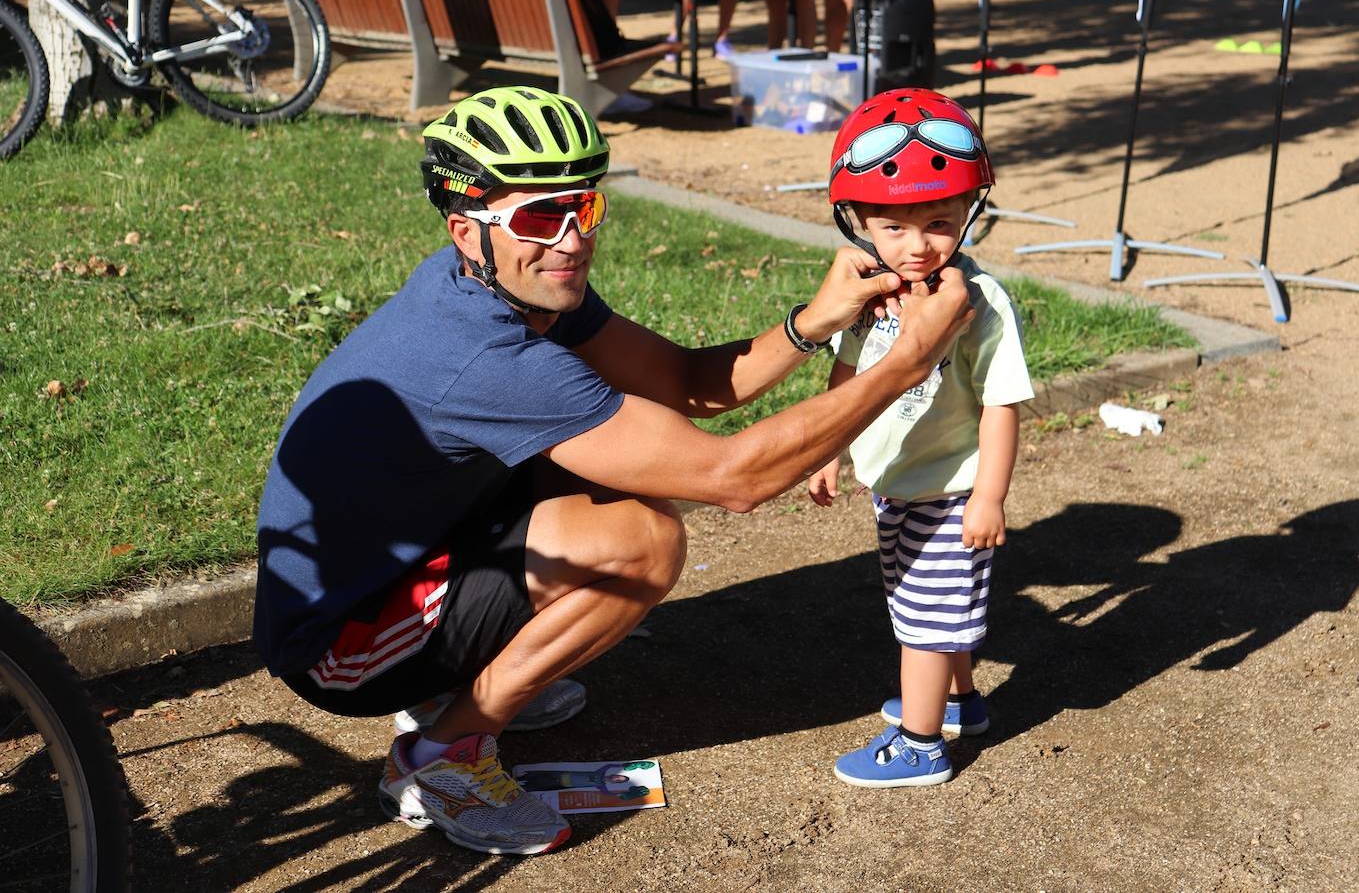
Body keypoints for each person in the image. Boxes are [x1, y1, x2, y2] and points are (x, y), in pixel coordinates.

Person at [254, 85, 974, 856]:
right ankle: (444, 754)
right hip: (342, 649)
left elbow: (686, 384)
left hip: (406, 560)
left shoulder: (508, 283)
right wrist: (907, 361)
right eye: (539, 217)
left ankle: (468, 681)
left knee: (620, 472)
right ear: (467, 230)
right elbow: (736, 478)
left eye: (583, 210)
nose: (570, 240)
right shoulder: (485, 354)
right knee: (643, 541)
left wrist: (812, 323)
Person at [807, 88, 1035, 787]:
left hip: (951, 491)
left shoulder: (980, 304)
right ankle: (961, 703)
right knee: (924, 607)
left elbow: (1002, 404)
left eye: (939, 222)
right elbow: (847, 370)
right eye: (893, 227)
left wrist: (989, 496)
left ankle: (919, 743)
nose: (917, 245)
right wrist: (827, 448)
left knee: (924, 625)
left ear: (970, 214)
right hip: (896, 485)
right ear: (860, 223)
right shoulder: (869, 292)